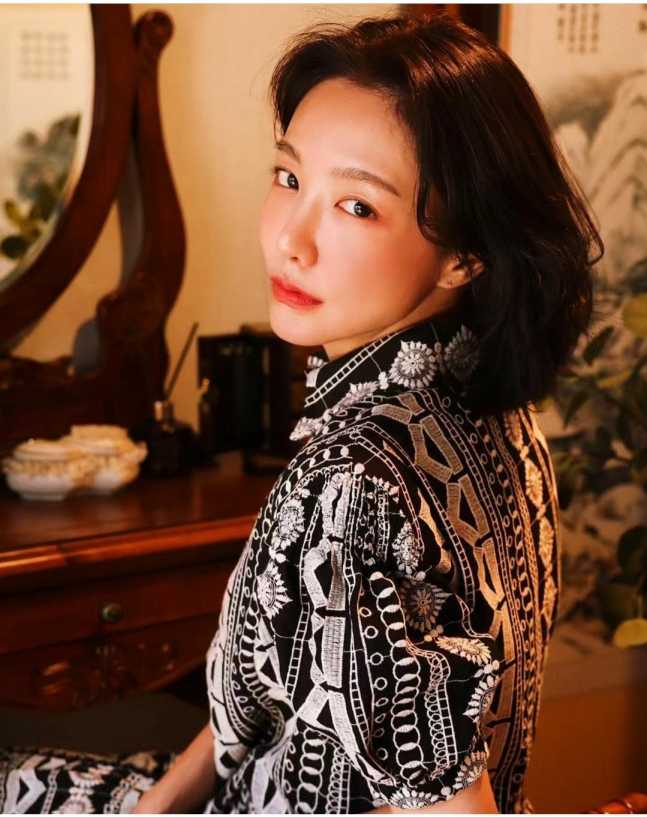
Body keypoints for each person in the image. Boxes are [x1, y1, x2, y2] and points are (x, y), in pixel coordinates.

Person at [0, 10, 603, 815]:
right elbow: (251, 706)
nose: (291, 238)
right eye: (288, 178)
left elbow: (447, 797)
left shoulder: (353, 483)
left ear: (464, 254)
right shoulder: (497, 418)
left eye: (356, 206)